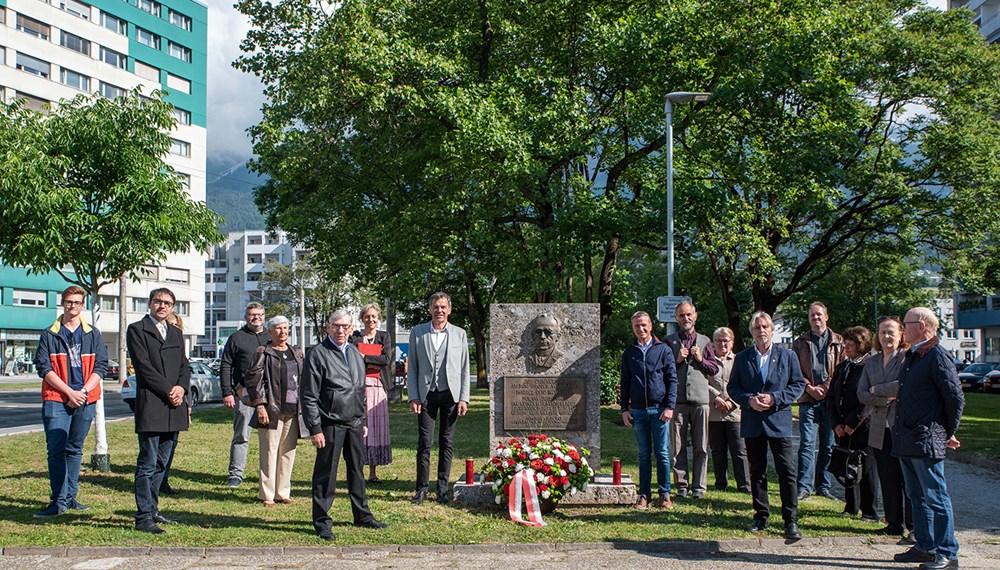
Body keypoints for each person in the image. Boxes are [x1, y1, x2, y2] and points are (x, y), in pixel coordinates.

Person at [302, 310, 387, 540]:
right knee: (326, 474)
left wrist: (363, 420)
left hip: (355, 423)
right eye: (336, 326)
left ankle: (362, 515)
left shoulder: (355, 353)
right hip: (330, 423)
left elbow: (359, 390)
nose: (341, 331)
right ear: (328, 327)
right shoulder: (318, 354)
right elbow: (309, 395)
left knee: (357, 471)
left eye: (345, 327)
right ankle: (322, 521)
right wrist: (315, 428)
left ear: (351, 329)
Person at [891, 307, 964, 570]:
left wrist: (946, 431)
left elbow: (955, 397)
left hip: (925, 439)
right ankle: (925, 546)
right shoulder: (913, 356)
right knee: (916, 495)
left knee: (935, 496)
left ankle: (947, 552)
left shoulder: (936, 356)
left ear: (922, 326)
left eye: (906, 324)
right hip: (908, 439)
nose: (902, 329)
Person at [32, 286, 108, 518]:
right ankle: (58, 501)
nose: (72, 306)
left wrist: (82, 392)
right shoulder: (49, 334)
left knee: (75, 449)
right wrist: (68, 392)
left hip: (86, 398)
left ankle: (71, 497)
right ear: (62, 303)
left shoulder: (92, 334)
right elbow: (43, 368)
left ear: (82, 305)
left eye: (76, 302)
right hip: (56, 398)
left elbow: (101, 367)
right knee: (56, 450)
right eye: (68, 302)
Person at [729, 311, 806, 540]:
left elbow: (797, 384)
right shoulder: (742, 358)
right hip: (753, 422)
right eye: (757, 327)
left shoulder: (787, 356)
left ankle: (790, 520)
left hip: (778, 421)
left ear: (771, 330)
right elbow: (733, 388)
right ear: (751, 331)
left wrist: (775, 399)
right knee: (757, 470)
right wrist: (749, 400)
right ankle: (761, 515)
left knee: (786, 471)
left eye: (765, 327)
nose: (761, 331)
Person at [126, 288, 190, 534]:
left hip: (174, 406)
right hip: (153, 403)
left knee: (162, 463)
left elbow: (184, 366)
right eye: (158, 301)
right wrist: (169, 390)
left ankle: (153, 510)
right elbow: (143, 368)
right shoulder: (137, 329)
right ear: (150, 304)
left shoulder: (175, 332)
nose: (162, 306)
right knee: (148, 462)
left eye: (168, 303)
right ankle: (143, 516)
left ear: (173, 308)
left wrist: (182, 389)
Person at [406, 292, 470, 505]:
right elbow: (413, 368)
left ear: (449, 310)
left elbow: (464, 367)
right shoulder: (417, 332)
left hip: (450, 394)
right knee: (424, 442)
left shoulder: (460, 334)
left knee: (447, 441)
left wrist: (464, 398)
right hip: (426, 395)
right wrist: (413, 396)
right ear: (430, 309)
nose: (439, 310)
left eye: (443, 307)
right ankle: (421, 489)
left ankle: (442, 489)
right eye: (436, 307)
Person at [857, 315, 913, 539]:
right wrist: (883, 397)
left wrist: (876, 389)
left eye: (891, 332)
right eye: (882, 332)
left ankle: (913, 526)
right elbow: (861, 394)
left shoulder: (907, 358)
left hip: (902, 426)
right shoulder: (871, 361)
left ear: (901, 334)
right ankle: (893, 523)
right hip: (880, 427)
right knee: (888, 478)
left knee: (907, 479)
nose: (887, 336)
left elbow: (904, 386)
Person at [620, 310, 678, 509]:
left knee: (662, 453)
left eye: (644, 325)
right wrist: (623, 409)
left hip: (660, 409)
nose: (641, 329)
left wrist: (670, 405)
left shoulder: (663, 349)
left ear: (651, 325)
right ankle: (644, 494)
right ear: (633, 328)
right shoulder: (629, 353)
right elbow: (625, 382)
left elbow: (672, 379)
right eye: (637, 326)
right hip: (637, 411)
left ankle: (664, 494)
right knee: (644, 454)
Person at [245, 315, 304, 507]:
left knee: (288, 451)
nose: (283, 332)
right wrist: (260, 405)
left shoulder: (295, 352)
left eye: (286, 328)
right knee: (269, 451)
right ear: (270, 331)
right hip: (272, 409)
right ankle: (267, 494)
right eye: (278, 328)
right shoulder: (263, 352)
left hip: (293, 409)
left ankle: (283, 492)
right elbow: (254, 381)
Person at [665, 301, 718, 499]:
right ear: (676, 318)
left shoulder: (705, 342)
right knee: (677, 446)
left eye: (688, 315)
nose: (685, 319)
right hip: (677, 401)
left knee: (701, 446)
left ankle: (699, 486)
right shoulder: (669, 341)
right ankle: (681, 485)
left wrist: (701, 360)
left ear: (695, 316)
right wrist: (676, 360)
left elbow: (714, 369)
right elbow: (661, 370)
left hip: (700, 400)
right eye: (681, 315)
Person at [792, 301, 843, 502]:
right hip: (807, 399)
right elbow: (794, 369)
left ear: (826, 316)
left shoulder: (838, 341)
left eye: (819, 315)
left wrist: (826, 388)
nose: (816, 318)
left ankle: (823, 485)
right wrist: (809, 387)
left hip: (830, 401)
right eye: (812, 315)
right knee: (806, 443)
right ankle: (804, 487)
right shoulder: (799, 343)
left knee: (828, 444)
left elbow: (840, 368)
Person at [826, 326, 878, 522]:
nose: (846, 347)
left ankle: (870, 511)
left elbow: (868, 399)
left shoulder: (869, 366)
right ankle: (851, 506)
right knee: (846, 465)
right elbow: (831, 396)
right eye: (845, 344)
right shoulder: (842, 367)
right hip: (842, 427)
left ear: (861, 345)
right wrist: (836, 423)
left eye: (850, 344)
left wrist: (852, 423)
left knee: (867, 469)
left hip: (863, 426)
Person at [220, 302, 269, 488]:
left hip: (268, 394)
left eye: (259, 314)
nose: (255, 317)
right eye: (251, 315)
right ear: (246, 317)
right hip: (244, 394)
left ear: (264, 316)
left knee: (268, 437)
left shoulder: (270, 337)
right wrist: (227, 392)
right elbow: (226, 366)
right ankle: (236, 474)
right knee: (241, 435)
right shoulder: (236, 338)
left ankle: (267, 475)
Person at [349, 304, 393, 483]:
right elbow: (351, 359)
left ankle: (373, 472)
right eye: (367, 316)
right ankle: (357, 470)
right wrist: (372, 360)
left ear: (379, 318)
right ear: (362, 318)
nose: (371, 320)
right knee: (360, 427)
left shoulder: (384, 336)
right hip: (358, 386)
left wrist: (365, 358)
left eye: (374, 316)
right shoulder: (355, 337)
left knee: (376, 428)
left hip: (378, 386)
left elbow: (386, 360)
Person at [707, 327, 750, 494]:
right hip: (715, 413)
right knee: (718, 451)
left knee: (739, 451)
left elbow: (745, 383)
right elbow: (703, 382)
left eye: (726, 341)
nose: (722, 344)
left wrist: (732, 402)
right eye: (718, 340)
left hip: (735, 414)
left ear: (732, 343)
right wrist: (716, 397)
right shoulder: (707, 362)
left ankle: (744, 485)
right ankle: (720, 484)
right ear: (713, 343)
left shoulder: (740, 360)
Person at [159, 312, 186, 497]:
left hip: (179, 400)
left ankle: (164, 479)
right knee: (155, 446)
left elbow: (184, 369)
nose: (173, 328)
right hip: (159, 399)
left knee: (172, 443)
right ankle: (155, 481)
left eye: (176, 325)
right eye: (170, 324)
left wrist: (183, 393)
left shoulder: (179, 343)